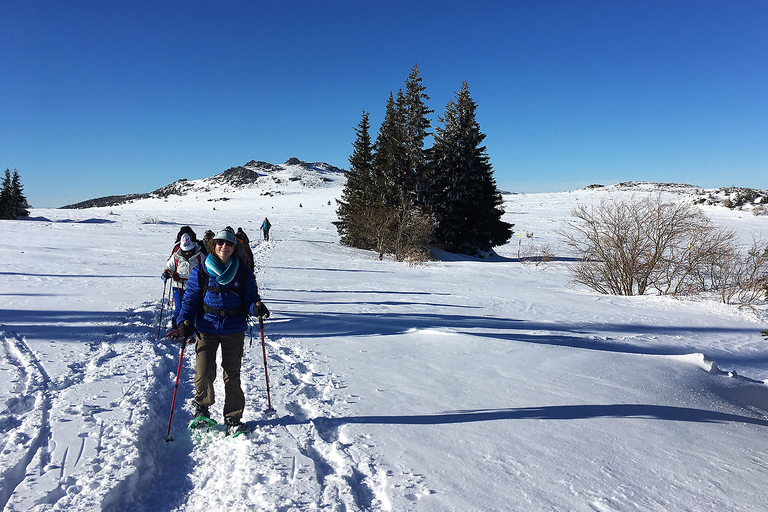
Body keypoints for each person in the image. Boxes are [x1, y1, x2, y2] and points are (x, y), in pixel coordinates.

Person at [177, 227, 270, 436]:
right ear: (214, 245)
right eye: (220, 243)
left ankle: (233, 417)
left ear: (234, 247)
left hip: (233, 327)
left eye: (228, 244)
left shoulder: (243, 271)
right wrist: (184, 320)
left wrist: (255, 307)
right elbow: (191, 299)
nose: (224, 247)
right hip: (206, 326)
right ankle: (202, 409)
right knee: (203, 371)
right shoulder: (201, 270)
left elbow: (250, 297)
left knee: (232, 375)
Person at [162, 233, 203, 335]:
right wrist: (167, 273)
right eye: (185, 251)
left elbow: (206, 268)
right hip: (178, 286)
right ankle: (176, 325)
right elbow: (169, 267)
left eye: (189, 251)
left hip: (194, 287)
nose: (188, 253)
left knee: (192, 307)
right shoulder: (176, 257)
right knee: (180, 307)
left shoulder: (199, 256)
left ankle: (191, 327)